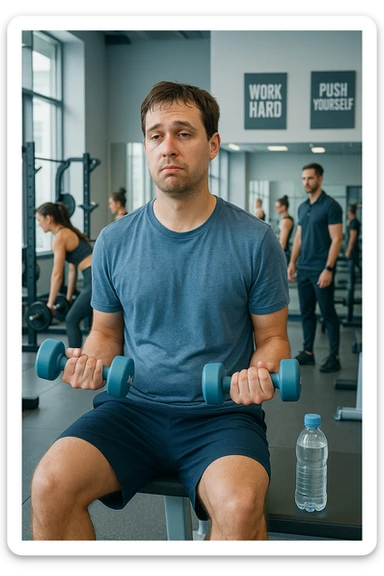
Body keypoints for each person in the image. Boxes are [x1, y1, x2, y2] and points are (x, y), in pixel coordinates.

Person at [30, 81, 291, 541]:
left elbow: (272, 337)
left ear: (212, 145)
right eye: (155, 135)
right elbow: (106, 334)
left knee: (241, 504)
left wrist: (261, 370)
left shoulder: (255, 239)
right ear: (146, 146)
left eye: (183, 133)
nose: (167, 147)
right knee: (49, 484)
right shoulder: (113, 240)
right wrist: (92, 361)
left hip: (221, 416)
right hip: (131, 409)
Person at [288, 162, 343, 373]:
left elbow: (337, 239)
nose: (306, 182)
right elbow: (299, 238)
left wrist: (329, 268)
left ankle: (334, 356)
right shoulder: (303, 207)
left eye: (310, 178)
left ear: (320, 179)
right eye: (303, 178)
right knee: (306, 312)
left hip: (322, 269)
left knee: (328, 313)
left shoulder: (331, 206)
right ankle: (308, 352)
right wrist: (292, 262)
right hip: (303, 267)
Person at [35, 201, 93, 348]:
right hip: (95, 278)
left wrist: (49, 304)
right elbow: (72, 271)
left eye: (39, 220)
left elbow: (57, 274)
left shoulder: (60, 237)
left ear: (48, 218)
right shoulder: (67, 231)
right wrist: (67, 299)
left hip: (94, 280)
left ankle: (75, 361)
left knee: (71, 319)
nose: (39, 224)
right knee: (95, 325)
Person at [344, 203, 361, 322]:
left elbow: (353, 238)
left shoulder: (354, 222)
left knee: (351, 282)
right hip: (352, 255)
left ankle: (349, 316)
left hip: (353, 255)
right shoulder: (351, 222)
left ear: (350, 212)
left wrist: (348, 251)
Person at [274, 194, 294, 264]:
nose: (275, 208)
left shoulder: (285, 221)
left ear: (283, 207)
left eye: (277, 207)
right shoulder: (285, 219)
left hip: (284, 255)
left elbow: (282, 244)